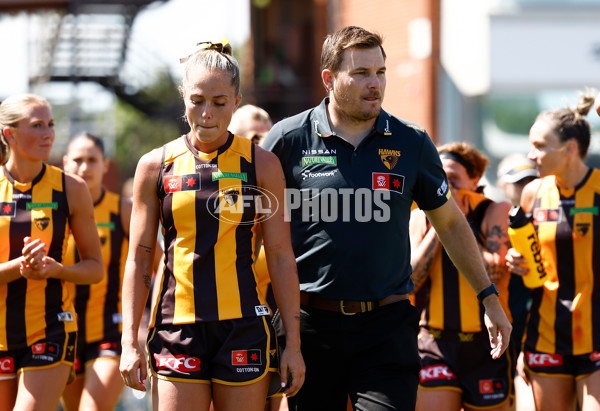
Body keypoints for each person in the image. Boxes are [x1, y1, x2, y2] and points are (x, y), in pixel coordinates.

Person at [261, 25, 512, 411]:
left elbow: (449, 223)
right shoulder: (287, 139)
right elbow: (252, 233)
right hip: (309, 325)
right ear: (329, 79)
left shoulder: (411, 141)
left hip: (386, 325)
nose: (374, 83)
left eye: (380, 72)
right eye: (360, 73)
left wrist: (489, 299)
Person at [118, 39, 305, 411]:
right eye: (196, 100)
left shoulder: (262, 164)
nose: (206, 113)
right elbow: (139, 259)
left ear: (236, 102)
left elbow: (283, 257)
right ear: (183, 96)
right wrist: (128, 341)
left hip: (243, 327)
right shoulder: (155, 165)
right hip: (176, 326)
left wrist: (293, 346)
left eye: (219, 103)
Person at [0, 94, 104, 410]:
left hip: (52, 328)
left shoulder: (71, 188)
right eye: (37, 125)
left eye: (51, 124)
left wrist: (55, 269)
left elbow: (94, 268)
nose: (48, 134)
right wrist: (20, 265)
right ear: (10, 134)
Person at [506, 91, 600, 411]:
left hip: (596, 331)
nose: (531, 155)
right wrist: (516, 261)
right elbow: (532, 261)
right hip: (546, 333)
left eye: (540, 146)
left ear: (570, 149)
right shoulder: (532, 193)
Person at [60, 132, 161, 410]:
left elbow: (161, 265)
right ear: (65, 163)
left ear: (105, 165)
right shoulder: (54, 213)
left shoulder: (123, 210)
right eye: (78, 160)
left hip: (111, 331)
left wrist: (150, 323)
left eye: (92, 160)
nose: (84, 167)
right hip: (65, 331)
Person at [410, 142, 513, 411]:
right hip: (435, 341)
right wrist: (442, 224)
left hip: (487, 343)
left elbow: (495, 270)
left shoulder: (495, 211)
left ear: (475, 180)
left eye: (454, 179)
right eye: (441, 178)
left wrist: (461, 220)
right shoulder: (419, 217)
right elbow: (411, 279)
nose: (447, 186)